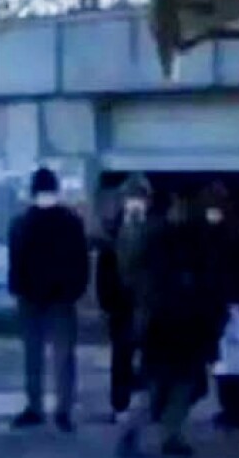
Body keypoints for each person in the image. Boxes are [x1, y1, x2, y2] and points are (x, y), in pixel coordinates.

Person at [117, 194, 226, 457]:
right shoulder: (193, 242)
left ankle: (145, 433)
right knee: (177, 385)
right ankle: (166, 434)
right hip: (179, 324)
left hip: (166, 324)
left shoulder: (158, 241)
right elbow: (207, 285)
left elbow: (139, 280)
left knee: (162, 385)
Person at [8, 167, 90, 433]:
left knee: (34, 356)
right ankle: (61, 410)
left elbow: (16, 260)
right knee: (62, 357)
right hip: (59, 299)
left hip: (35, 297)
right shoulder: (70, 222)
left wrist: (19, 288)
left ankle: (37, 407)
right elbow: (80, 261)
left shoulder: (23, 222)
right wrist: (74, 290)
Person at [96, 173, 158, 423]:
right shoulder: (111, 231)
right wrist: (107, 301)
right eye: (131, 197)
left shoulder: (156, 230)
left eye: (140, 197)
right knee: (121, 357)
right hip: (122, 306)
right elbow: (104, 270)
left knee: (153, 357)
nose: (135, 202)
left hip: (150, 305)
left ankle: (154, 405)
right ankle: (120, 405)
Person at [200, 182, 239, 430]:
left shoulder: (234, 232)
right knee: (230, 356)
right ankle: (235, 409)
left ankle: (237, 409)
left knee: (234, 356)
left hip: (229, 301)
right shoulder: (221, 232)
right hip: (224, 301)